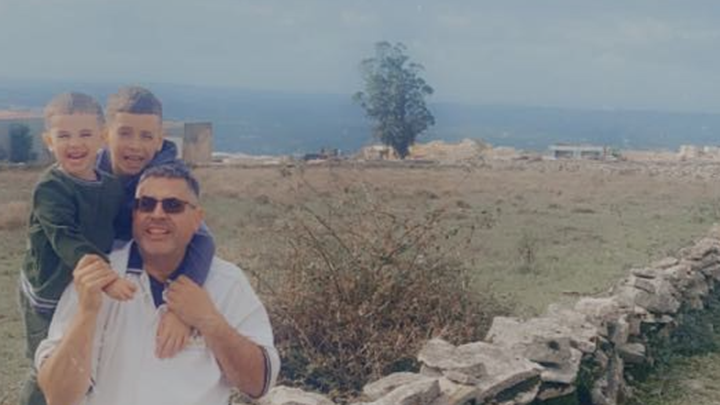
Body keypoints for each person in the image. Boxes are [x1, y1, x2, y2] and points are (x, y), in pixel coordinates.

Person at [36, 163, 279, 405]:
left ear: (197, 219)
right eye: (146, 204)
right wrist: (86, 314)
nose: (158, 214)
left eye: (173, 206)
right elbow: (57, 397)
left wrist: (209, 321)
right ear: (134, 214)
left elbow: (258, 384)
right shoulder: (99, 278)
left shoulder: (227, 282)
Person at [18, 92, 137, 405]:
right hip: (49, 290)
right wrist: (106, 278)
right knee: (47, 361)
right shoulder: (51, 188)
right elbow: (66, 238)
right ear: (49, 141)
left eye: (85, 134)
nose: (75, 144)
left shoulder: (110, 186)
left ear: (102, 138)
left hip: (82, 287)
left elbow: (121, 229)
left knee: (83, 351)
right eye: (64, 136)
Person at [96, 86, 216, 358]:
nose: (135, 145)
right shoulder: (87, 171)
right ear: (106, 134)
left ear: (160, 140)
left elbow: (203, 239)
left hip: (135, 279)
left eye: (146, 136)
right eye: (125, 133)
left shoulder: (168, 177)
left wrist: (181, 310)